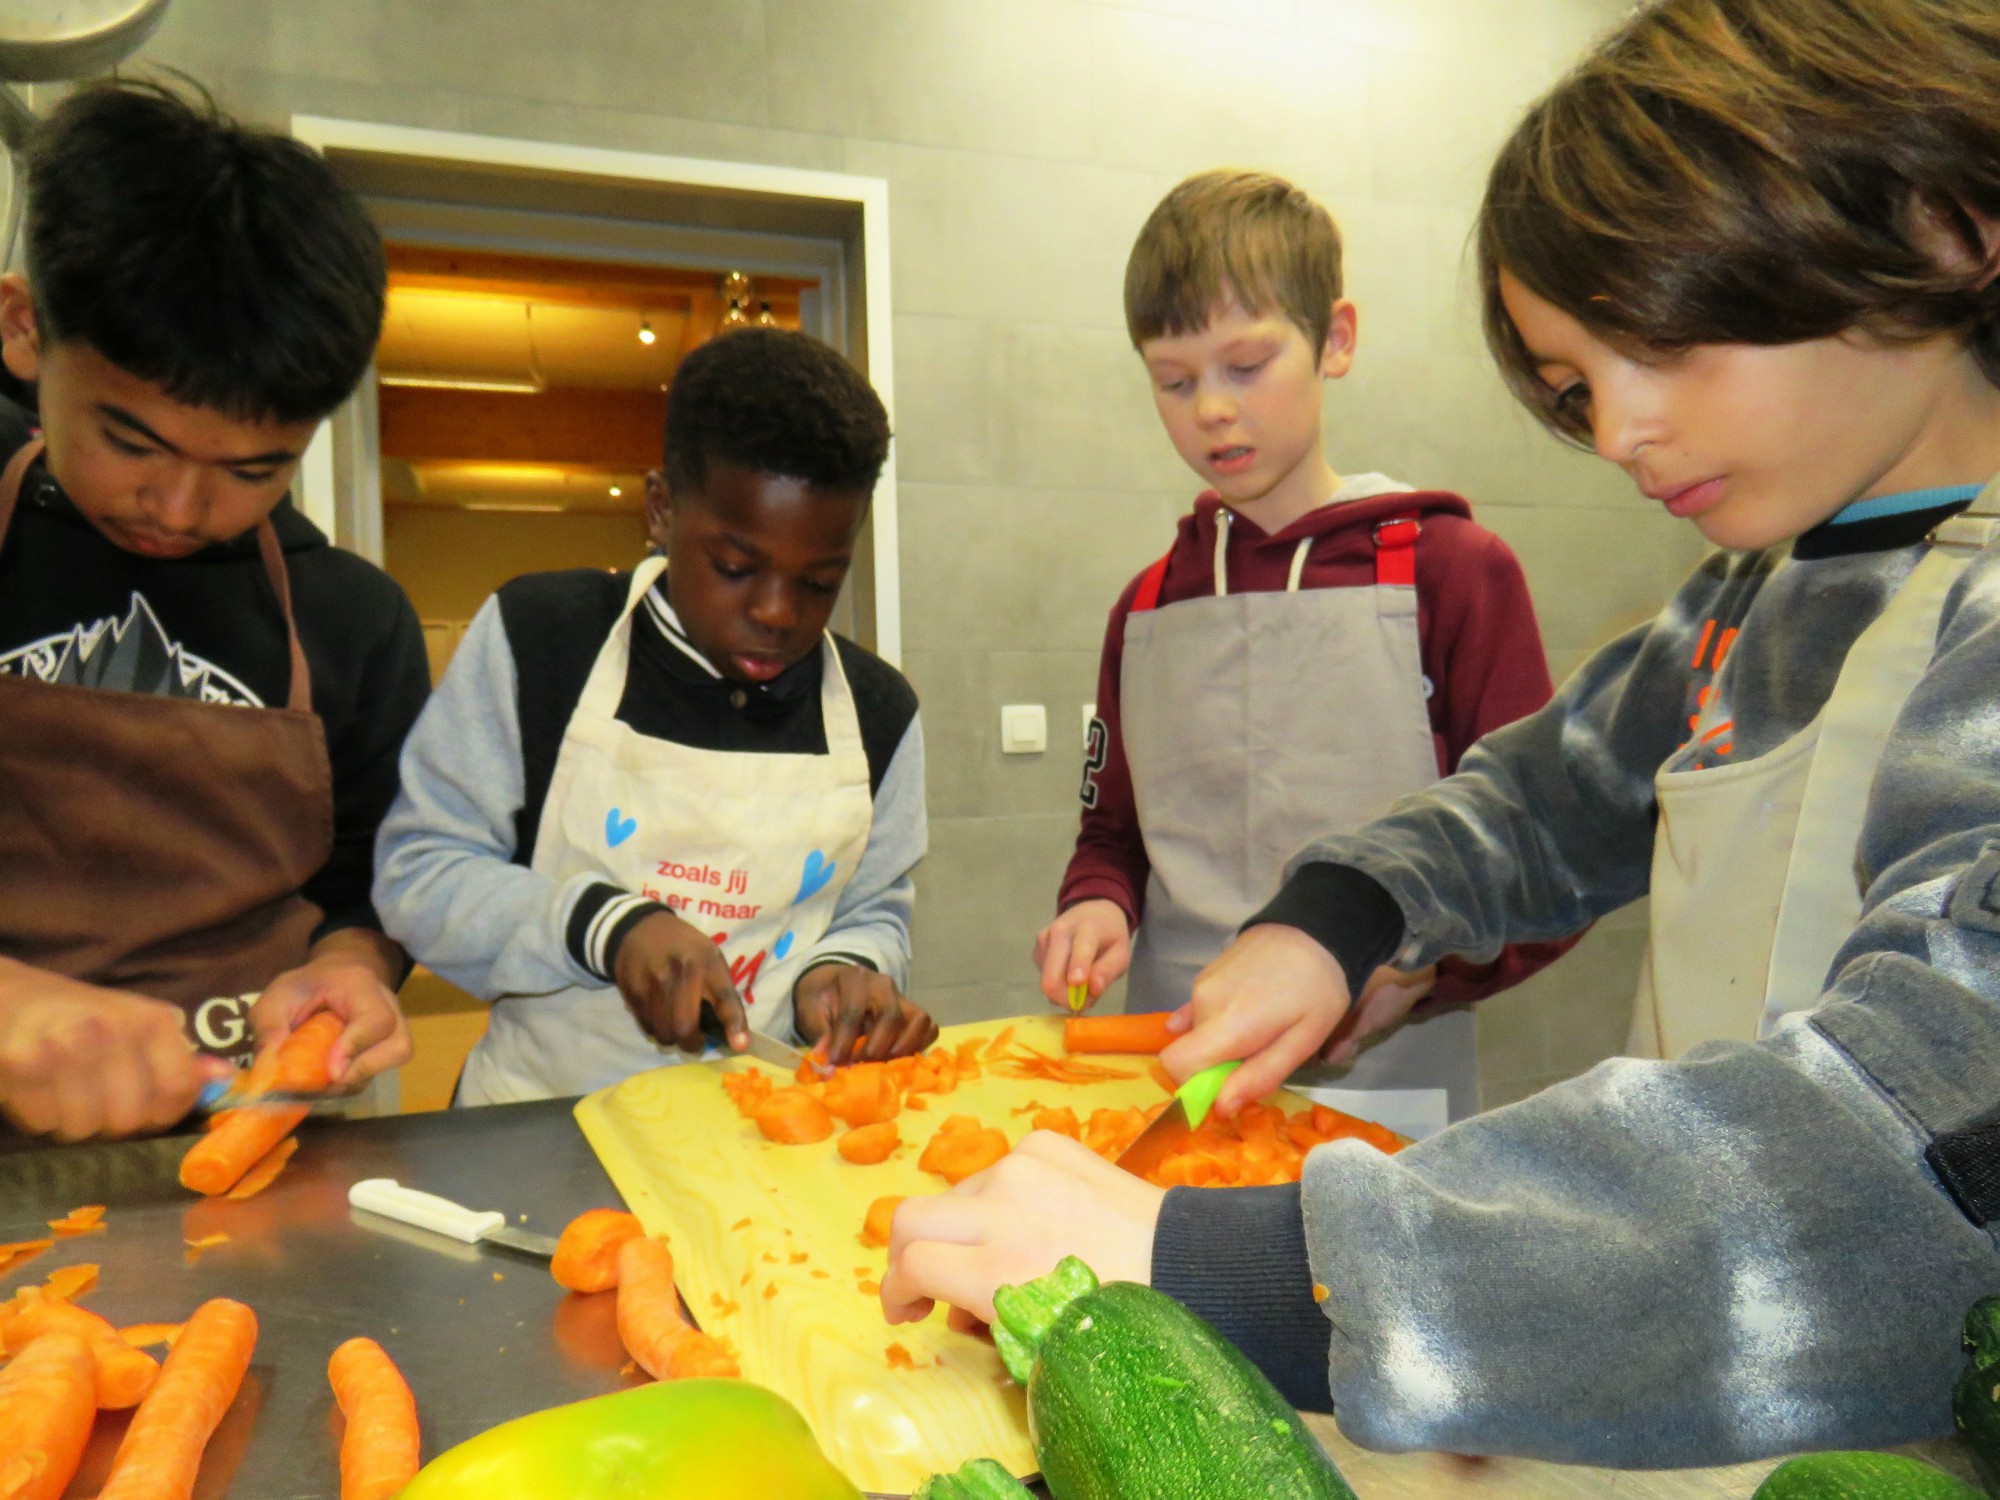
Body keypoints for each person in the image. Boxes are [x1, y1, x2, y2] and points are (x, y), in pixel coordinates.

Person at [885, 0, 2000, 1464]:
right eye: (1575, 389)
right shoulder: (1759, 583)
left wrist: (1270, 1266)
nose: (1613, 435)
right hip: (1620, 1321)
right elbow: (1531, 797)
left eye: (1656, 346)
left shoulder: (1446, 567)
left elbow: (1907, 1154)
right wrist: (1321, 910)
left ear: (1938, 227)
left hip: (1770, 1349)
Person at [1035, 169, 1565, 1116]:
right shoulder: (1146, 606)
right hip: (1178, 1078)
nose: (1211, 410)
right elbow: (1113, 832)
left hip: (1387, 1084)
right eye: (1174, 379)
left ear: (1338, 340)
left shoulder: (1449, 571)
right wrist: (1096, 903)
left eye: (1246, 366)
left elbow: (1539, 848)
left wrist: (1417, 974)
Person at [0, 80, 426, 1144]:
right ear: (22, 332)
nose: (181, 509)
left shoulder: (353, 618)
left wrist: (347, 972)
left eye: (253, 468)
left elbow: (368, 885)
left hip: (242, 1148)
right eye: (135, 444)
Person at [375, 326, 937, 1105]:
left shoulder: (879, 712)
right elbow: (420, 875)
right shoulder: (542, 640)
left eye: (819, 582)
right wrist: (606, 926)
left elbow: (873, 911)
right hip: (539, 1127)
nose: (777, 613)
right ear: (663, 508)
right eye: (736, 568)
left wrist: (846, 974)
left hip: (766, 1136)